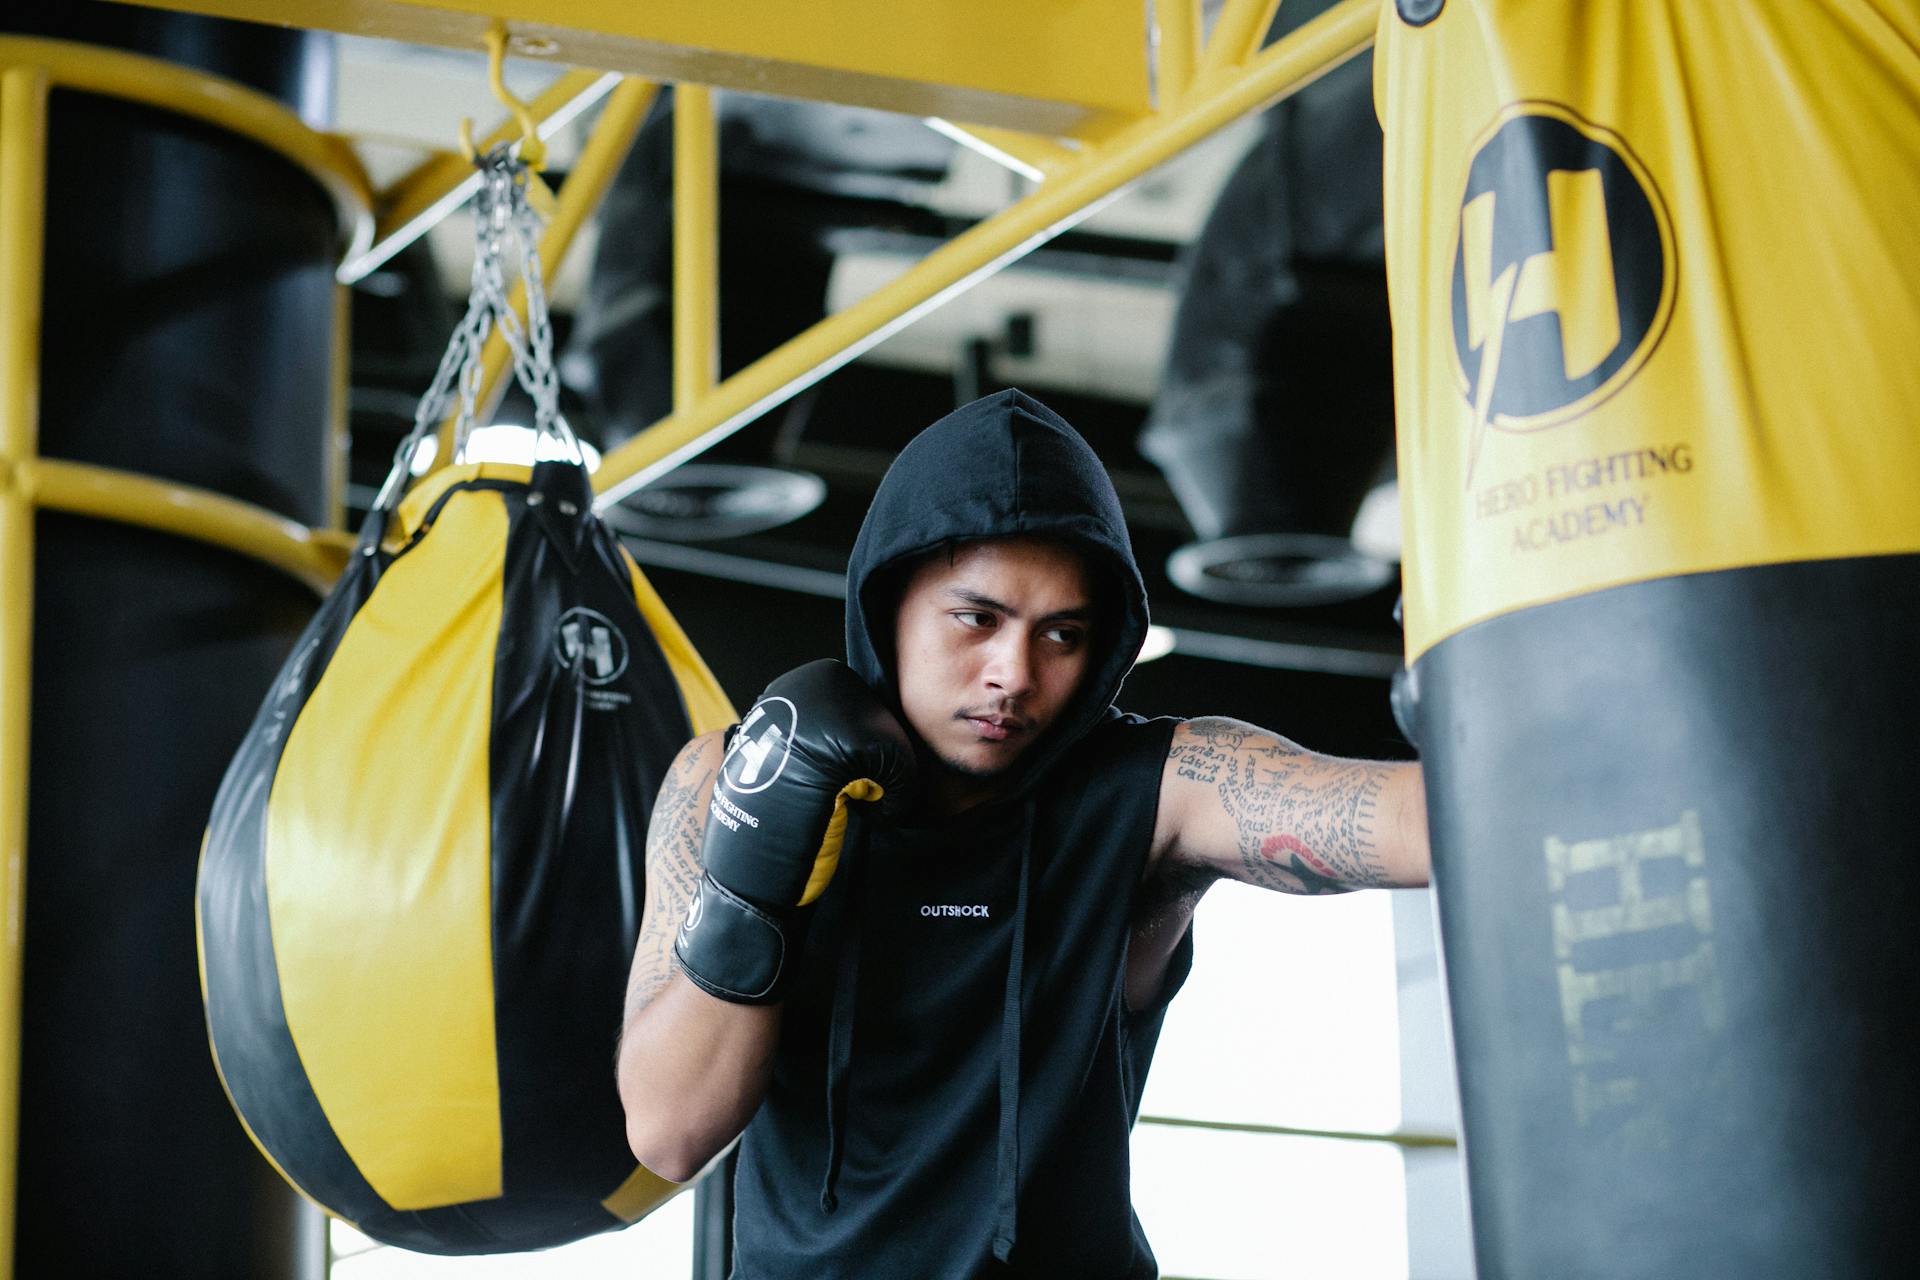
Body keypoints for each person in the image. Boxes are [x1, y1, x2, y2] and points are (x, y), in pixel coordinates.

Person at [616, 389, 1430, 1278]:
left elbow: (1399, 824)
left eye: (1063, 635)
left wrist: (1498, 662)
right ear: (890, 605)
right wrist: (756, 877)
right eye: (977, 619)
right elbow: (669, 1134)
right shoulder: (733, 777)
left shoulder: (1160, 789)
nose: (1015, 674)